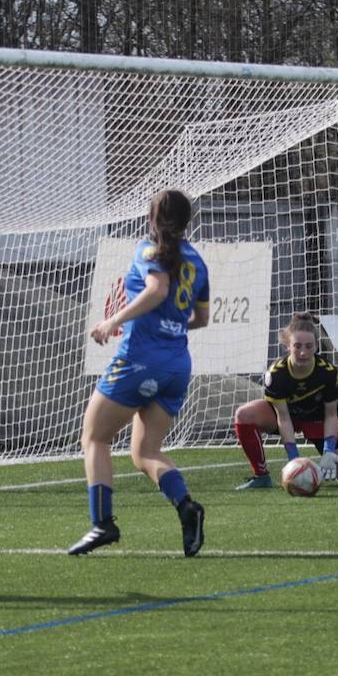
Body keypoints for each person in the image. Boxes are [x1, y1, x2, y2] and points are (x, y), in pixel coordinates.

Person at [70, 189, 210, 557]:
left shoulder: (148, 250)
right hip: (176, 366)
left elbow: (158, 288)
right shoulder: (198, 262)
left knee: (95, 438)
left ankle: (102, 523)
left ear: (151, 218)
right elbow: (202, 318)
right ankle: (186, 507)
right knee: (145, 451)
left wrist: (113, 321)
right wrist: (171, 326)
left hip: (139, 361)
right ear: (186, 222)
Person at [232, 311, 338, 490]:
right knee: (244, 414)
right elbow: (283, 418)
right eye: (297, 346)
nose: (303, 352)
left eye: (309, 346)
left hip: (319, 419)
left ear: (316, 346)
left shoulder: (328, 373)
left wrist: (329, 451)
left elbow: (332, 415)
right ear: (288, 345)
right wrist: (293, 457)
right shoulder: (276, 374)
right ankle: (261, 476)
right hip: (289, 418)